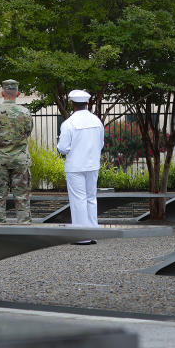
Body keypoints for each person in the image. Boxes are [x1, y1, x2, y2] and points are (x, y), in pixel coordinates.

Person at [56, 89, 104, 244]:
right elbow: (101, 144)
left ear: (72, 104)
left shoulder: (68, 123)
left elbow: (63, 148)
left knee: (78, 200)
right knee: (91, 198)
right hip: (93, 164)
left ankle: (81, 236)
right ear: (87, 103)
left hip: (75, 166)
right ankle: (93, 231)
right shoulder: (97, 121)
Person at [0, 79, 34, 223]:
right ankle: (24, 223)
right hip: (20, 160)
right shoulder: (25, 112)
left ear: (2, 93)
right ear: (17, 94)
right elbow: (28, 132)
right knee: (22, 195)